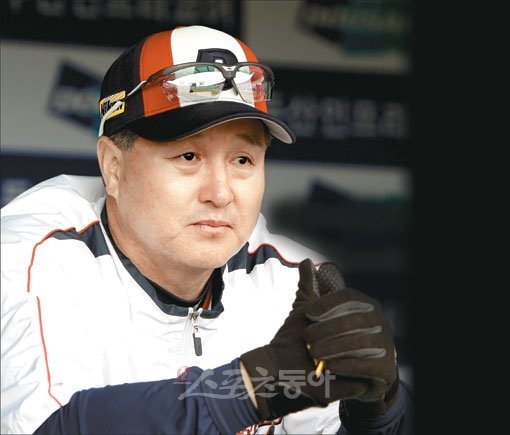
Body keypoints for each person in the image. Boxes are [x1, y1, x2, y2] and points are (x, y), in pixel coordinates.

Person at [0, 25, 413, 434]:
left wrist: (378, 413)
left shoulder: (290, 280)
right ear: (114, 167)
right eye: (189, 156)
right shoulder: (26, 262)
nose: (220, 193)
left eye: (242, 160)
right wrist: (253, 386)